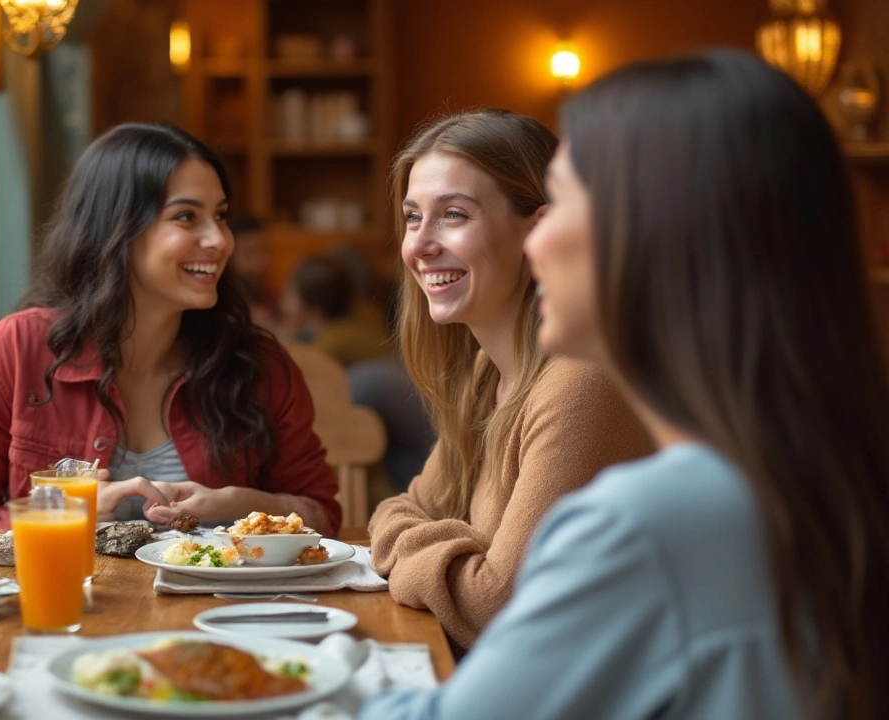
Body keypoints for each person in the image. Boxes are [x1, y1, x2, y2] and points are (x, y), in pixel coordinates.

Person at [362, 50, 889, 720]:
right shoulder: (803, 473)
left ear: (655, 238)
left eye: (564, 201)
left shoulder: (644, 524)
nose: (538, 237)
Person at [0, 123, 341, 534]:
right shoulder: (15, 351)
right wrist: (61, 518)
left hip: (221, 600)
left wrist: (246, 503)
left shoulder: (258, 365)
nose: (220, 240)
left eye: (220, 216)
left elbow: (323, 515)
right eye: (186, 216)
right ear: (117, 229)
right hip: (69, 598)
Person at [367, 109, 652, 650]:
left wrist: (417, 549)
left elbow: (497, 606)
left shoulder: (580, 383)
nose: (420, 245)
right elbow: (401, 508)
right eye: (411, 217)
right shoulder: (486, 374)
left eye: (452, 214)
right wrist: (461, 553)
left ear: (538, 230)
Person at [277, 253, 391, 367]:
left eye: (291, 294)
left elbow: (303, 366)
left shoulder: (330, 346)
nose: (283, 301)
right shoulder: (368, 311)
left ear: (315, 310)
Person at [226, 214, 277, 327]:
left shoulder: (271, 298)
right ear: (229, 259)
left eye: (264, 250)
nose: (262, 262)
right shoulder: (224, 310)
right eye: (249, 254)